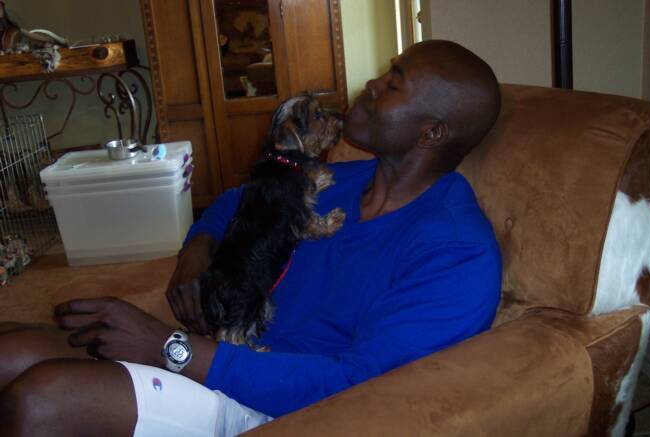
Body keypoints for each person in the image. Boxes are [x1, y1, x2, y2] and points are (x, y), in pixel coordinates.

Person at [0, 40, 502, 436]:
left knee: (43, 399)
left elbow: (360, 384)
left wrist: (169, 347)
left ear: (431, 133)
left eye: (393, 83)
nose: (371, 83)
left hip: (285, 408)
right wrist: (198, 249)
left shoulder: (456, 252)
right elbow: (234, 204)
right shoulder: (343, 181)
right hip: (226, 357)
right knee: (10, 353)